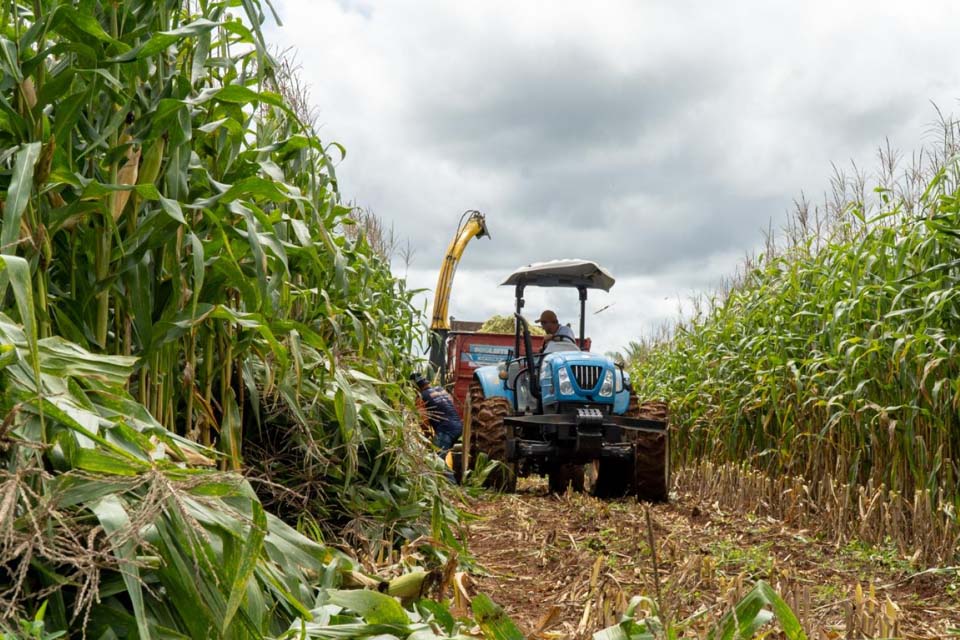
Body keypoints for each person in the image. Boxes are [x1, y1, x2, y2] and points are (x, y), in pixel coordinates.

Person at [411, 373, 462, 459]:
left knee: (436, 461)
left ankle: (444, 472)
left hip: (445, 431)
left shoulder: (421, 396)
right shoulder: (441, 389)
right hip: (459, 427)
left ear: (416, 387)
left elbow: (423, 420)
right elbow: (450, 405)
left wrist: (426, 437)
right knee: (452, 458)